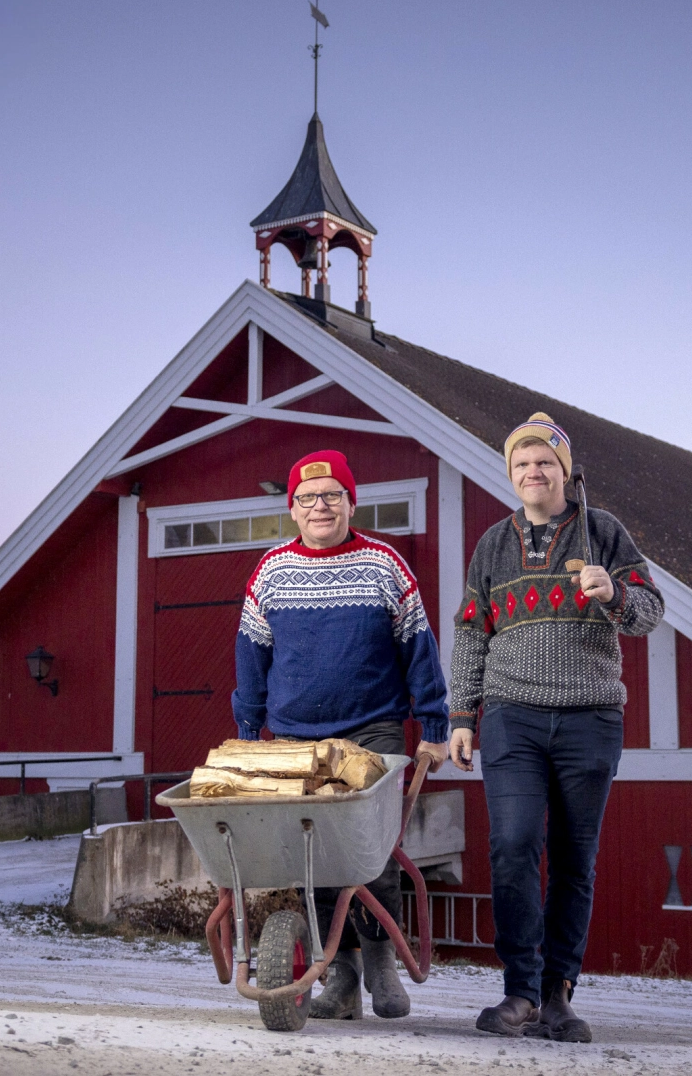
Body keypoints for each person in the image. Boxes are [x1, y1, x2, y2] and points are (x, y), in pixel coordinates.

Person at [449, 413, 665, 1042]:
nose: (533, 472)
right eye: (521, 463)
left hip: (590, 718)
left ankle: (557, 996)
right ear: (510, 473)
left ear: (565, 471)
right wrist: (462, 715)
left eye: (544, 461)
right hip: (510, 714)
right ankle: (519, 990)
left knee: (574, 858)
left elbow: (650, 612)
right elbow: (471, 633)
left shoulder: (604, 532)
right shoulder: (492, 544)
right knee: (513, 844)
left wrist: (613, 594)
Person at [232, 449, 450, 1020]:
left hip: (372, 728)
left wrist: (433, 726)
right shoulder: (271, 571)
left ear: (352, 502)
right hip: (295, 736)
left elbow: (419, 649)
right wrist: (248, 730)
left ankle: (381, 958)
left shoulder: (384, 565)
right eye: (307, 498)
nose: (320, 506)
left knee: (371, 848)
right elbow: (251, 657)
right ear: (293, 509)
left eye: (332, 495)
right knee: (314, 855)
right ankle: (344, 971)